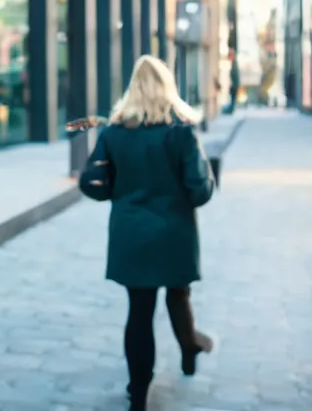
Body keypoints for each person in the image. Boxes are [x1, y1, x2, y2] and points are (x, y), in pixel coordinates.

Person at [78, 55, 216, 411]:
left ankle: (138, 393)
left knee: (139, 311)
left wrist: (120, 193)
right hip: (174, 232)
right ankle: (189, 348)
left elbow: (92, 182)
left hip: (131, 232)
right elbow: (199, 190)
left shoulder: (113, 132)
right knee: (178, 294)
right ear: (167, 87)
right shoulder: (181, 131)